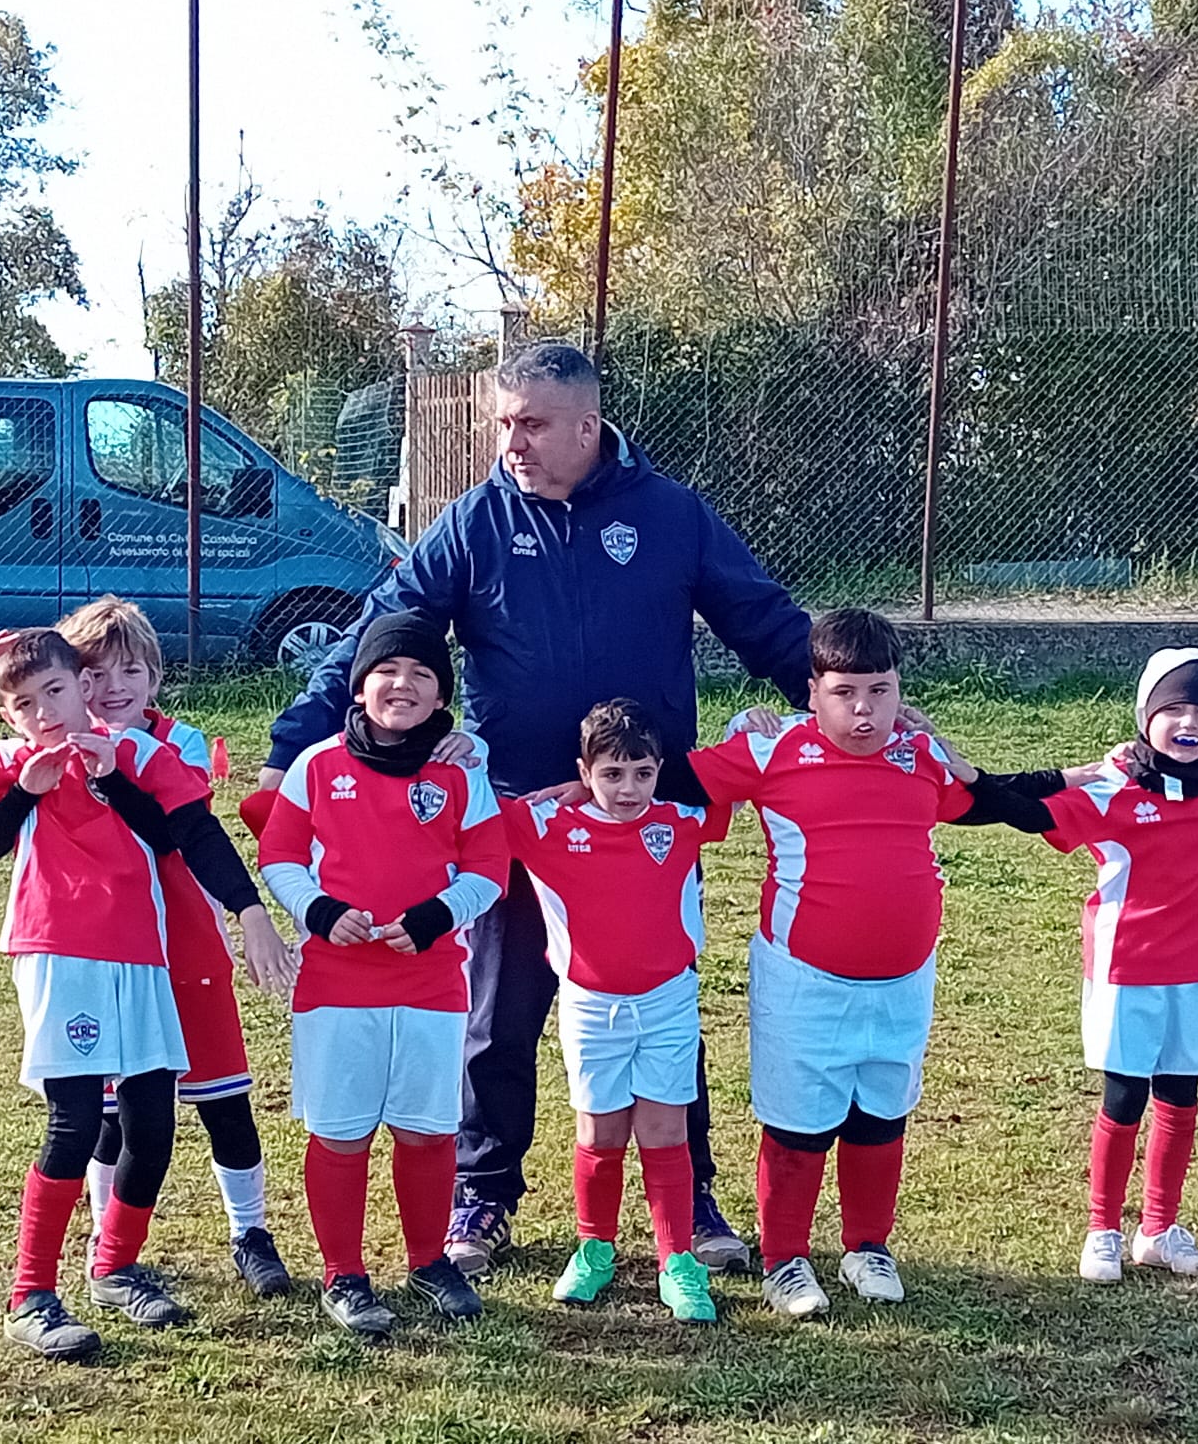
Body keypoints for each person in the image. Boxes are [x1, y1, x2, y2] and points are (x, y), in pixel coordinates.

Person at [262, 340, 811, 1275]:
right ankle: (485, 1192)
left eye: (532, 423)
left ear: (589, 425)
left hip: (646, 813)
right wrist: (290, 745)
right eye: (501, 422)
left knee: (662, 1000)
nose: (510, 441)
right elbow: (380, 627)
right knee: (498, 1013)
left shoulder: (672, 516)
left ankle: (696, 1200)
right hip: (516, 813)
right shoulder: (475, 522)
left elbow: (765, 620)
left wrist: (842, 699)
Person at [0, 627, 283, 1360]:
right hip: (58, 953)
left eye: (56, 692)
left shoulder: (139, 754)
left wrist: (249, 909)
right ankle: (31, 1295)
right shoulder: (15, 763)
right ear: (7, 716)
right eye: (24, 703)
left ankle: (114, 1267)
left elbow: (191, 834)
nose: (44, 712)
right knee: (73, 1124)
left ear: (83, 687)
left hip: (143, 959)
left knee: (151, 1125)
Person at [685, 609, 1061, 1318]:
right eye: (846, 692)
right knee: (798, 1124)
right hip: (804, 979)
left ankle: (867, 1245)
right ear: (813, 690)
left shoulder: (917, 752)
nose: (865, 710)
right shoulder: (773, 751)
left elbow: (990, 799)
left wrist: (1083, 774)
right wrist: (581, 786)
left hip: (902, 980)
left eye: (880, 691)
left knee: (881, 1116)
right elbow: (660, 780)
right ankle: (786, 1258)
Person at [0, 595, 297, 1298]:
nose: (112, 689)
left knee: (224, 1100)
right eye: (93, 674)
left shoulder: (169, 746)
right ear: (68, 681)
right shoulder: (47, 750)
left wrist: (246, 912)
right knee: (105, 1114)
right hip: (102, 950)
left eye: (131, 673)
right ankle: (103, 1245)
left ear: (155, 679)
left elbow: (186, 833)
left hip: (186, 950)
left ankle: (250, 1231)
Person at [256, 613, 510, 1339]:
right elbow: (279, 856)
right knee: (341, 1134)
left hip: (432, 983)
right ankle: (344, 1273)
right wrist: (320, 910)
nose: (402, 685)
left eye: (422, 676)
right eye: (387, 672)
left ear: (440, 697)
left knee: (427, 1131)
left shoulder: (461, 769)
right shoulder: (317, 765)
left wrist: (437, 916)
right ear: (361, 685)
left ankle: (430, 1261)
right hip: (337, 986)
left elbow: (491, 867)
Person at [1038, 649, 1198, 1286]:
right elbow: (1032, 810)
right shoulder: (1116, 784)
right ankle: (1103, 1231)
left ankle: (1158, 1229)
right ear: (1146, 718)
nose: (1188, 722)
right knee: (1124, 1096)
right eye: (1172, 708)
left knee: (1181, 1094)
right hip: (1127, 971)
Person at [501, 700, 729, 1324]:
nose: (628, 789)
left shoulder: (682, 821)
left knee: (665, 1132)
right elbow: (483, 814)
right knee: (599, 1133)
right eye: (611, 774)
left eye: (642, 773)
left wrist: (750, 725)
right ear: (585, 772)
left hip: (667, 1001)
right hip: (589, 1004)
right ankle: (594, 1247)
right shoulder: (546, 827)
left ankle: (676, 1260)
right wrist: (563, 790)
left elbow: (732, 778)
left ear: (659, 772)